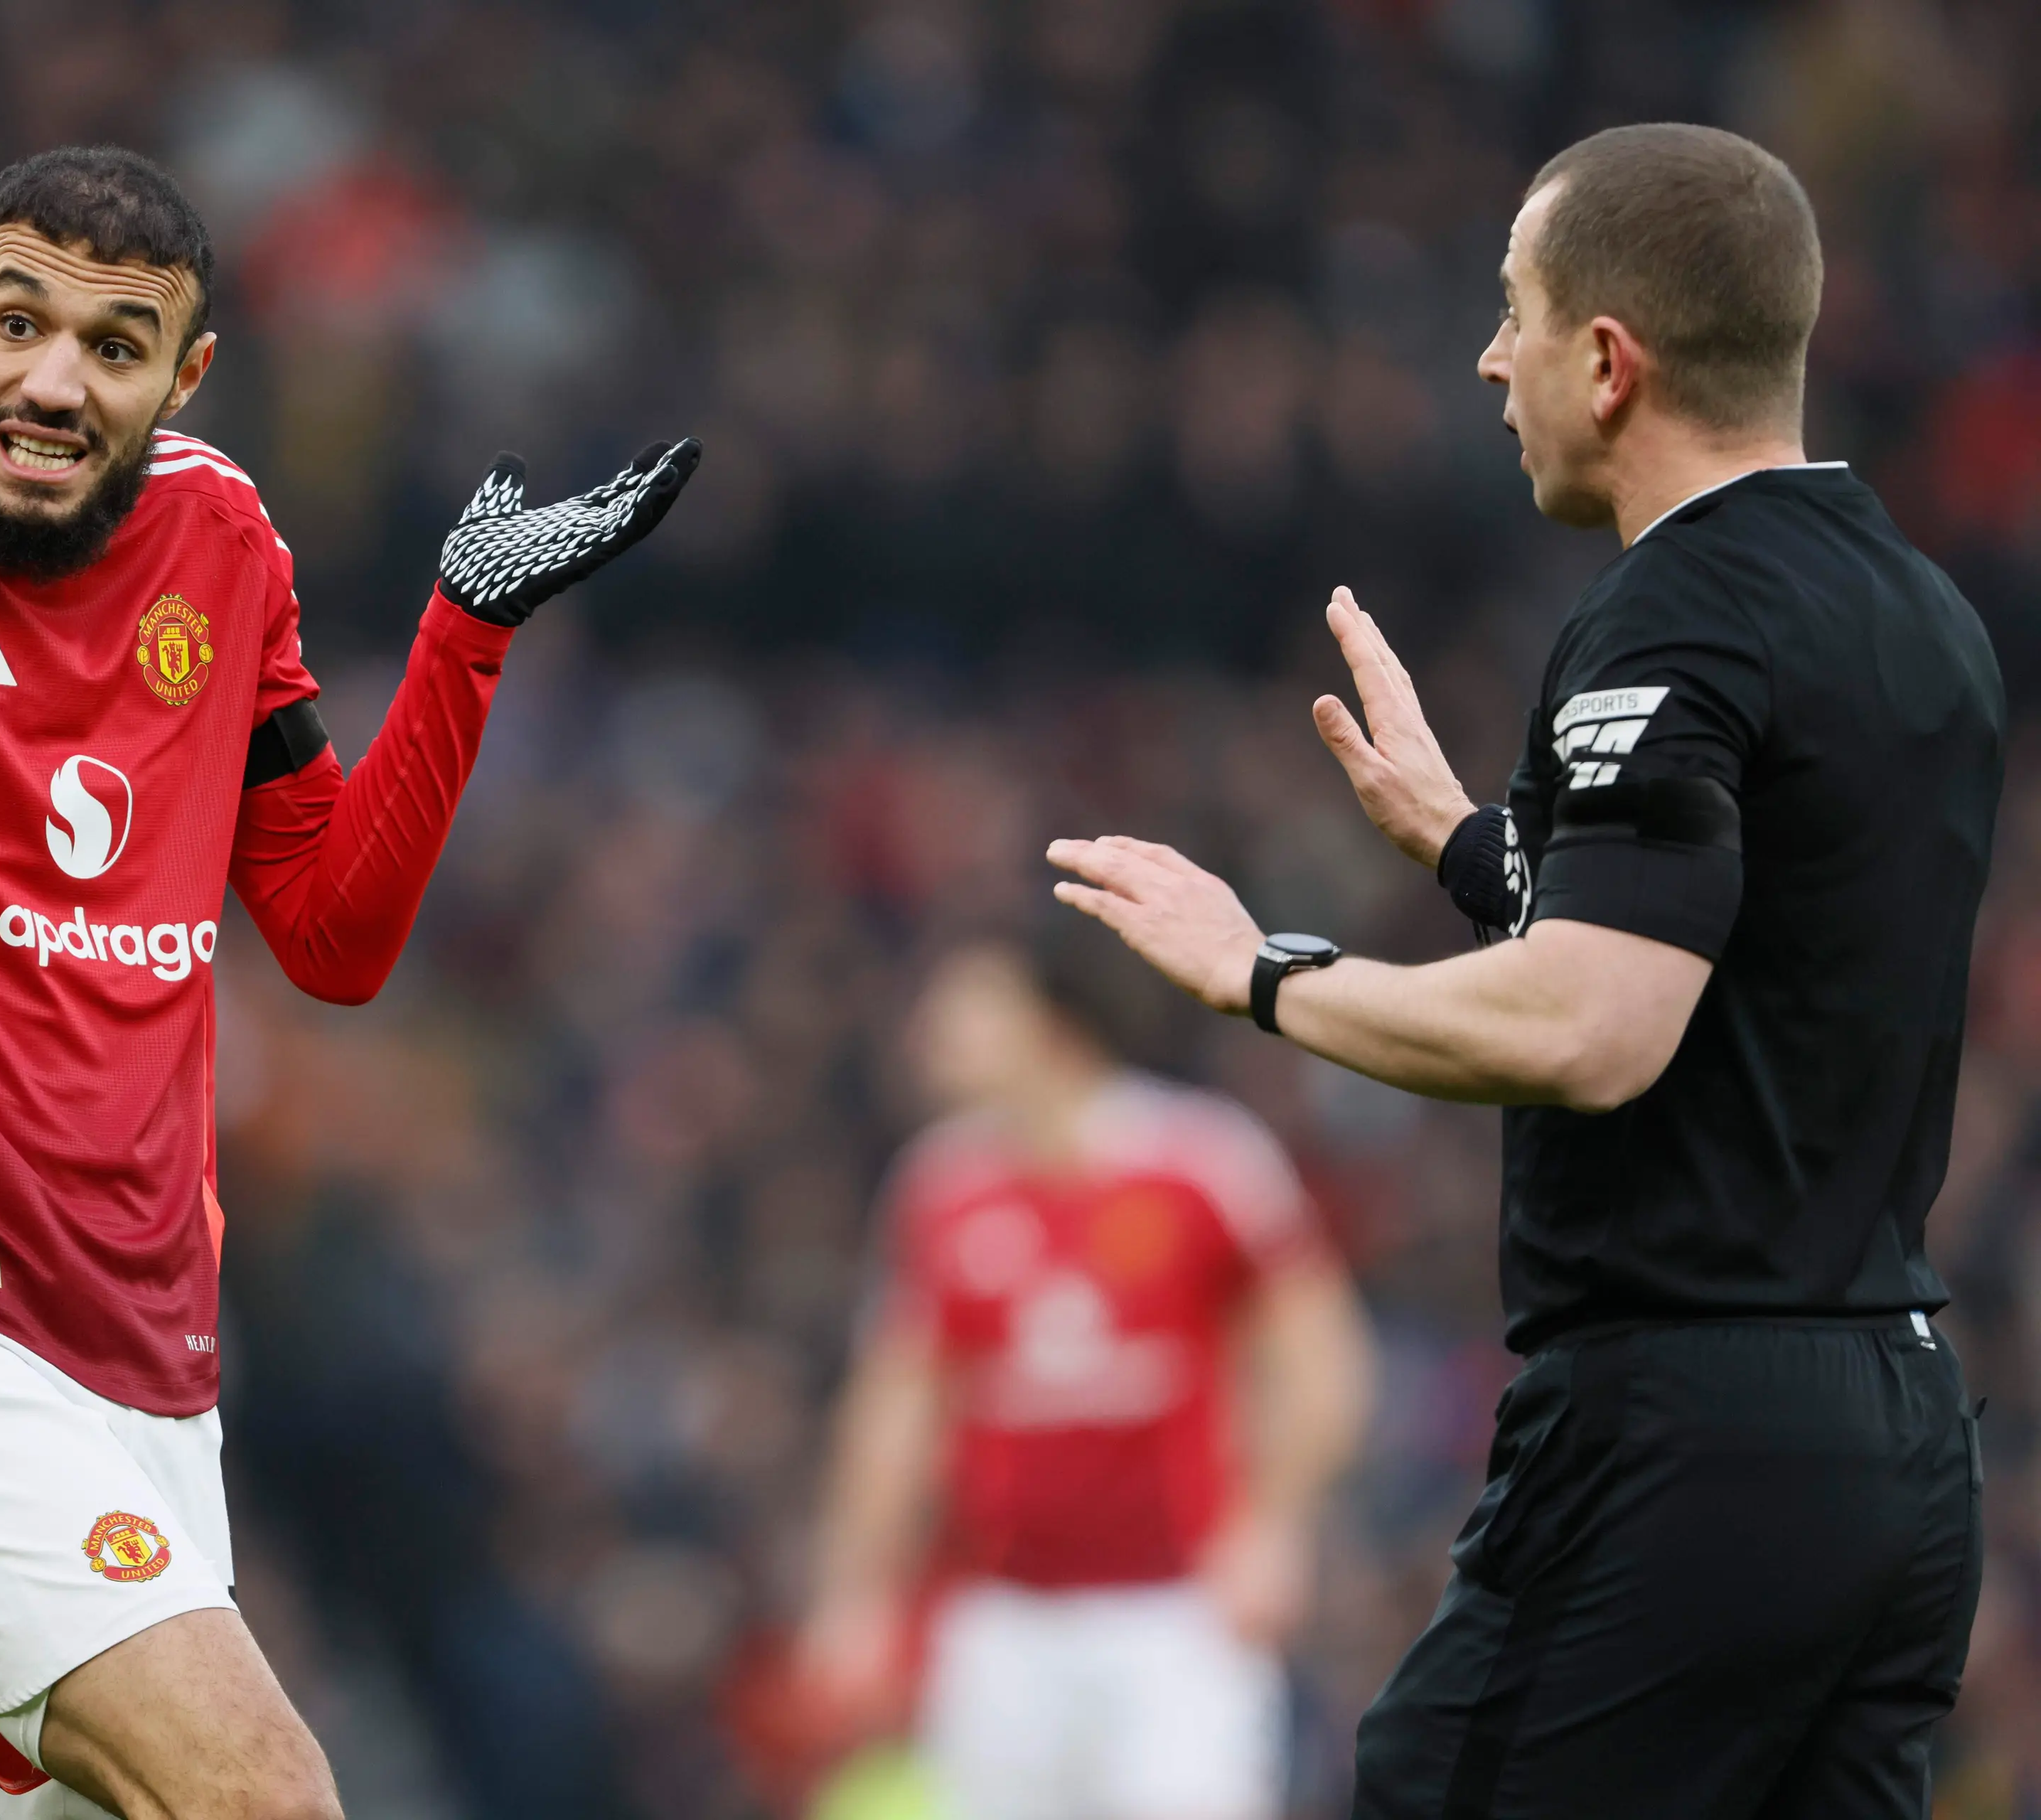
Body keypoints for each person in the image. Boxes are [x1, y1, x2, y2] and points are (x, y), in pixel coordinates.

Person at [0, 146, 696, 1820]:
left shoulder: (221, 532)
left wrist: (465, 635)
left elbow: (328, 933)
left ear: (185, 374)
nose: (51, 381)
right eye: (17, 321)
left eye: (113, 345)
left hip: (155, 1378)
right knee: (265, 1790)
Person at [1048, 122, 2000, 1817]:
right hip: (1897, 1426)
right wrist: (1470, 848)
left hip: (1690, 1428)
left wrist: (1260, 970)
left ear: (1609, 361)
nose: (1491, 360)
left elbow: (1593, 1025)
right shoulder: (1917, 606)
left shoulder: (1675, 606)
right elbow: (1754, 975)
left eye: (1515, 311)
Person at [797, 931, 1375, 1820]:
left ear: (1053, 1023)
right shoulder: (939, 1186)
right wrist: (858, 1590)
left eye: (967, 1007)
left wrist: (1274, 1524)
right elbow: (897, 1405)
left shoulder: (1202, 1159)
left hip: (1178, 1617)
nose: (932, 1030)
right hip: (1000, 1623)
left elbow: (1321, 1359)